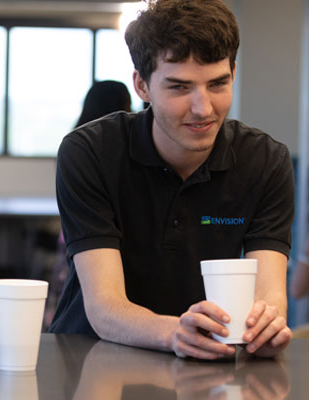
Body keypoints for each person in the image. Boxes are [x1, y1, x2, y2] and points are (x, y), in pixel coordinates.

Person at [49, 0, 294, 360]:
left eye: (217, 84)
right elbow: (105, 307)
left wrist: (266, 325)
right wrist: (176, 332)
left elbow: (270, 295)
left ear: (234, 73)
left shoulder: (265, 161)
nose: (203, 108)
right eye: (179, 87)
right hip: (87, 359)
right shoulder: (90, 153)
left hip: (204, 364)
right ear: (142, 86)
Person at [44, 80, 132, 329]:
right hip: (106, 238)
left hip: (71, 235)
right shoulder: (104, 146)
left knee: (70, 297)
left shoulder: (74, 141)